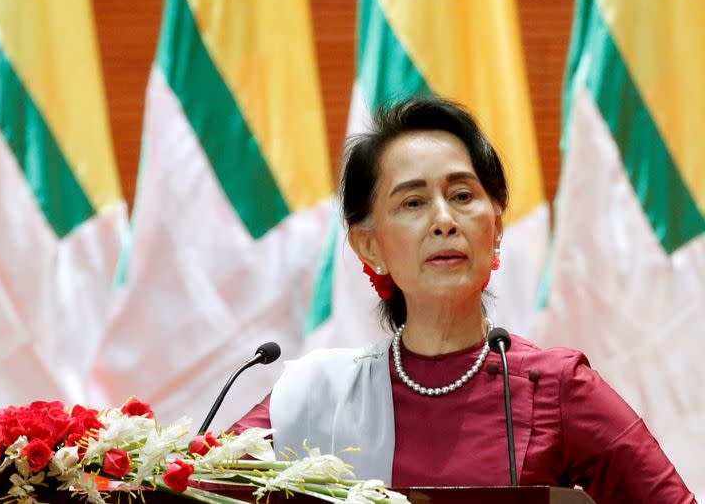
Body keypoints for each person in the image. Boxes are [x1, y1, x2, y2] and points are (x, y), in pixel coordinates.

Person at [229, 96, 695, 503]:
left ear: (494, 226)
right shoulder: (321, 396)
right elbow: (190, 484)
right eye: (413, 202)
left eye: (462, 195)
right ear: (370, 246)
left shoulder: (554, 387)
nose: (444, 220)